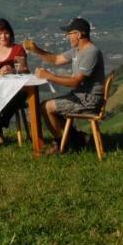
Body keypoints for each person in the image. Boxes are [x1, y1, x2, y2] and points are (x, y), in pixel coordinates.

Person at [24, 17, 105, 150]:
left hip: (89, 99)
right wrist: (37, 50)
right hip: (80, 96)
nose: (67, 37)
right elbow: (56, 59)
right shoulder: (77, 50)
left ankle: (61, 144)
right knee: (46, 107)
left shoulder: (91, 52)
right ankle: (77, 138)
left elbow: (75, 82)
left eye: (69, 34)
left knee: (46, 107)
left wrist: (50, 76)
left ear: (79, 35)